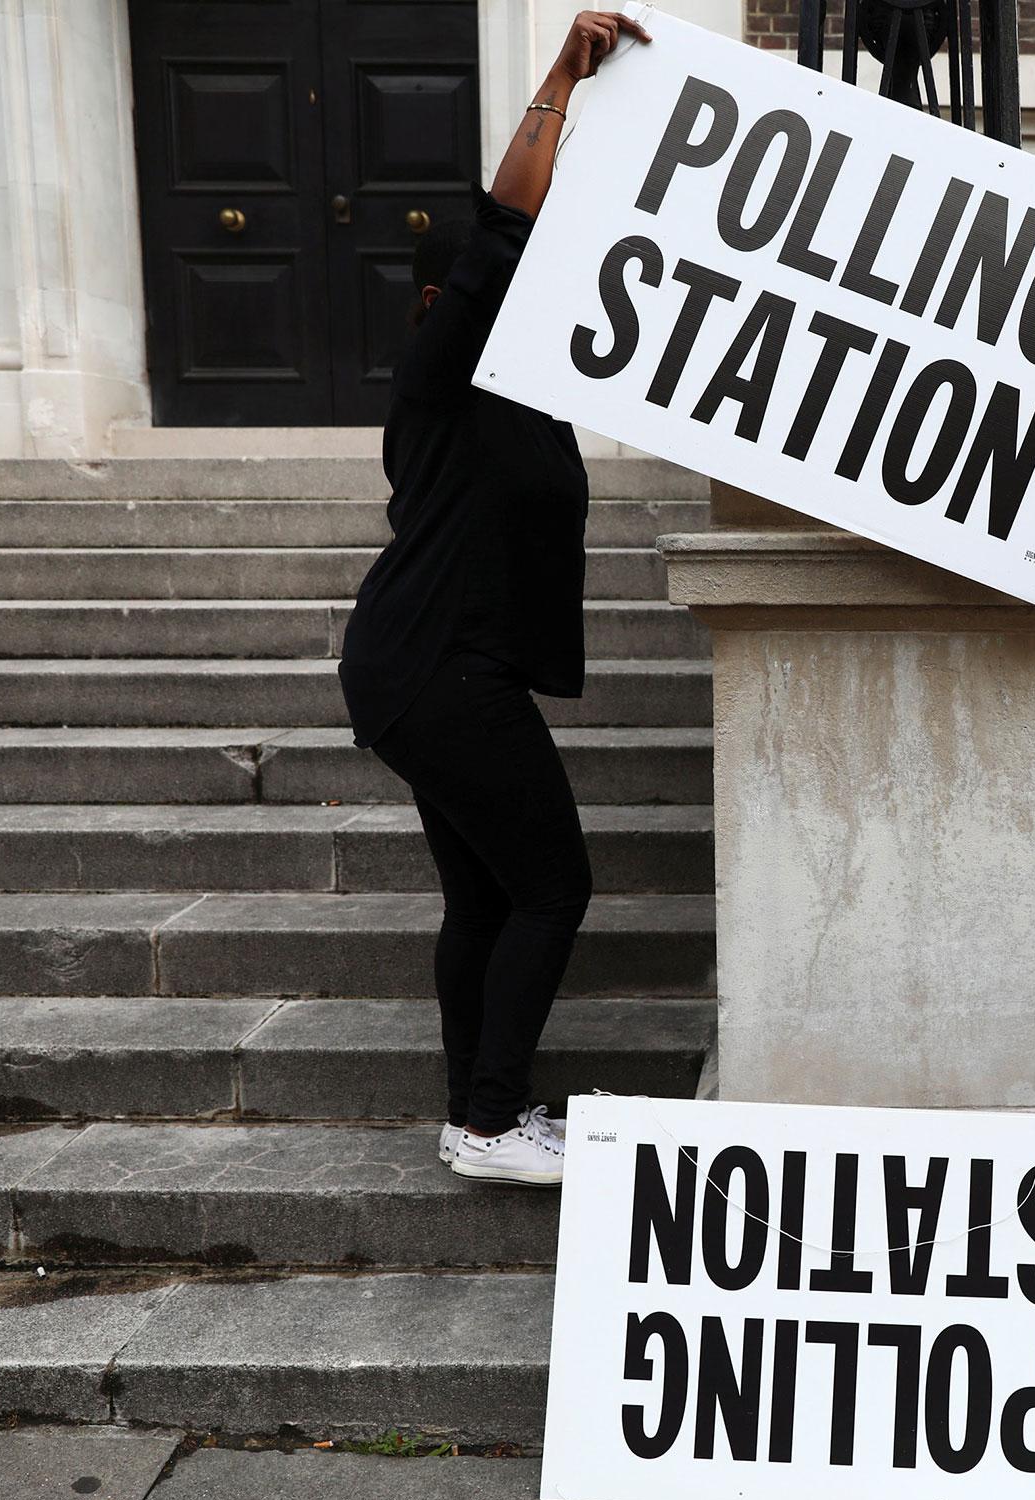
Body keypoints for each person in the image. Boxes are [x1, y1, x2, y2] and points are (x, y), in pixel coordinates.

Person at [338, 11, 651, 1187]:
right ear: (443, 301)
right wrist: (561, 79)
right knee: (552, 884)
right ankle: (490, 1117)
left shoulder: (517, 388)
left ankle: (472, 1111)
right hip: (434, 669)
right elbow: (503, 222)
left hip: (432, 666)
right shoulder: (444, 372)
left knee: (482, 894)